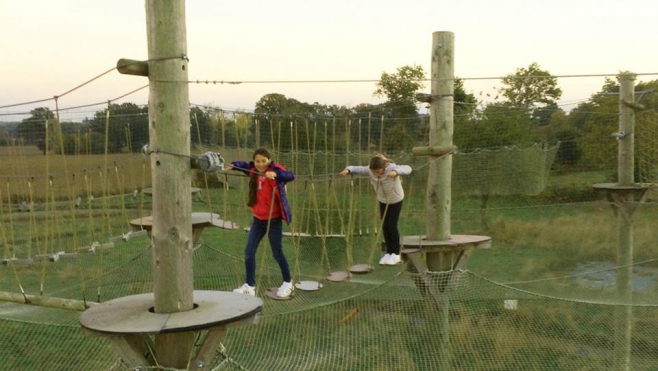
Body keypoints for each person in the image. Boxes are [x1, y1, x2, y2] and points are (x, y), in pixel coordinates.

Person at [226, 148, 295, 298]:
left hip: (273, 220)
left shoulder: (275, 170)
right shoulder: (253, 171)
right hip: (258, 220)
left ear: (269, 160)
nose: (261, 164)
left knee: (277, 253)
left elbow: (290, 175)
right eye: (258, 161)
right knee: (249, 252)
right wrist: (233, 164)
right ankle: (249, 286)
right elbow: (243, 165)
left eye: (264, 161)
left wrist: (275, 174)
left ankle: (288, 283)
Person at [340, 154, 412, 266]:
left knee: (392, 225)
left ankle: (396, 253)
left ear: (384, 167)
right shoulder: (370, 170)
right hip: (383, 200)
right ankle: (389, 252)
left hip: (395, 200)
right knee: (384, 225)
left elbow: (408, 168)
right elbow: (355, 168)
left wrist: (396, 172)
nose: (376, 173)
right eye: (374, 172)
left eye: (378, 171)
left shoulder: (391, 168)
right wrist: (348, 170)